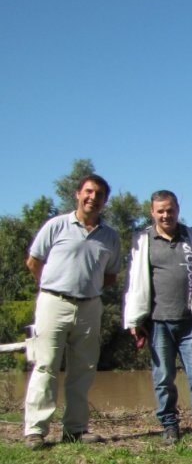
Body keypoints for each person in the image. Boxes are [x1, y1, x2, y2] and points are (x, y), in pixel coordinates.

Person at [23, 174, 121, 449]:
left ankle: (75, 429)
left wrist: (88, 288)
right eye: (88, 192)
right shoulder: (56, 226)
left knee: (84, 369)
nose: (93, 197)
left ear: (105, 200)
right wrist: (54, 287)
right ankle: (36, 431)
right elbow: (34, 261)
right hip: (54, 302)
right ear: (78, 194)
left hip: (90, 306)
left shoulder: (110, 237)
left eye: (99, 194)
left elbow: (111, 275)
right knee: (46, 365)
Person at [124, 190, 192, 445]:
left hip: (191, 322)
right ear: (152, 212)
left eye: (170, 209)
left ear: (178, 209)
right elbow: (135, 282)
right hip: (158, 323)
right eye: (161, 211)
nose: (166, 215)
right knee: (163, 378)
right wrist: (135, 319)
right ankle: (169, 426)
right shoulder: (143, 240)